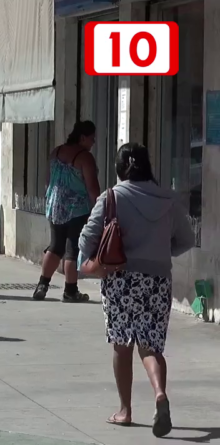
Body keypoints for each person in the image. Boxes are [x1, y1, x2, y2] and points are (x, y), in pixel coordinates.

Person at [79, 143, 193, 438]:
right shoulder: (168, 199)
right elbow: (186, 239)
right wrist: (160, 250)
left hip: (120, 279)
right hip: (158, 281)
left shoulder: (112, 197)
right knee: (151, 346)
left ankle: (125, 410)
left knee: (122, 345)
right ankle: (160, 395)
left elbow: (85, 240)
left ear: (119, 169)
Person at [33, 120, 100, 303]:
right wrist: (99, 210)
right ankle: (70, 291)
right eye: (92, 138)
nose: (93, 142)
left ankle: (42, 285)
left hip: (55, 207)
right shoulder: (85, 157)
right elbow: (93, 188)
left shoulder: (56, 152)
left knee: (55, 246)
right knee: (73, 249)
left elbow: (48, 181)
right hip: (76, 210)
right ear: (82, 137)